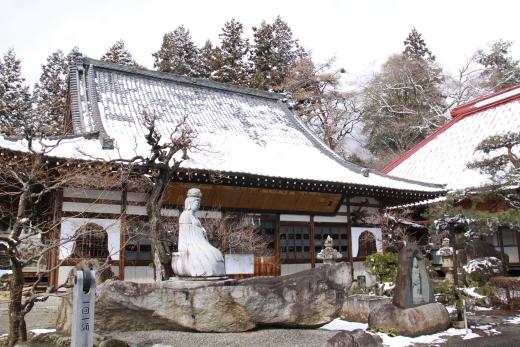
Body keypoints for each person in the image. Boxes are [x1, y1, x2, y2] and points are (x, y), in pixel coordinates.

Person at [172, 188, 226, 277]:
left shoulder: (195, 218)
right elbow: (183, 233)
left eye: (199, 203)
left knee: (216, 253)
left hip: (200, 241)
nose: (199, 205)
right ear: (190, 203)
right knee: (207, 256)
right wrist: (183, 248)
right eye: (197, 203)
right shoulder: (185, 215)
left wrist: (202, 231)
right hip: (192, 243)